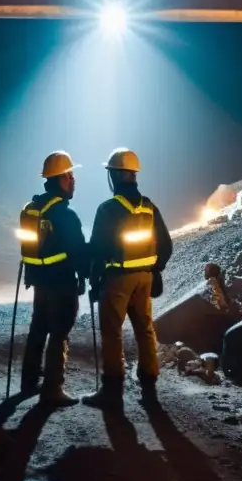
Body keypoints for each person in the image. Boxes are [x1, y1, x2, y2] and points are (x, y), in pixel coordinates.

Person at [82, 148, 173, 409]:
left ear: (117, 176)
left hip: (117, 280)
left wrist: (94, 279)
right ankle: (149, 378)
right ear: (133, 175)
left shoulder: (109, 209)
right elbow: (166, 245)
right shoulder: (149, 207)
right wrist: (154, 269)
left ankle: (112, 389)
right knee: (144, 328)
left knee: (112, 332)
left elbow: (98, 249)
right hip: (144, 279)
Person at [17, 150, 88, 406]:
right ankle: (53, 389)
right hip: (61, 283)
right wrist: (86, 274)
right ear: (59, 179)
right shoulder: (64, 215)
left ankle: (28, 382)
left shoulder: (33, 208)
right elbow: (78, 251)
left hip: (39, 281)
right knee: (59, 332)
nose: (73, 181)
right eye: (70, 176)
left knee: (38, 329)